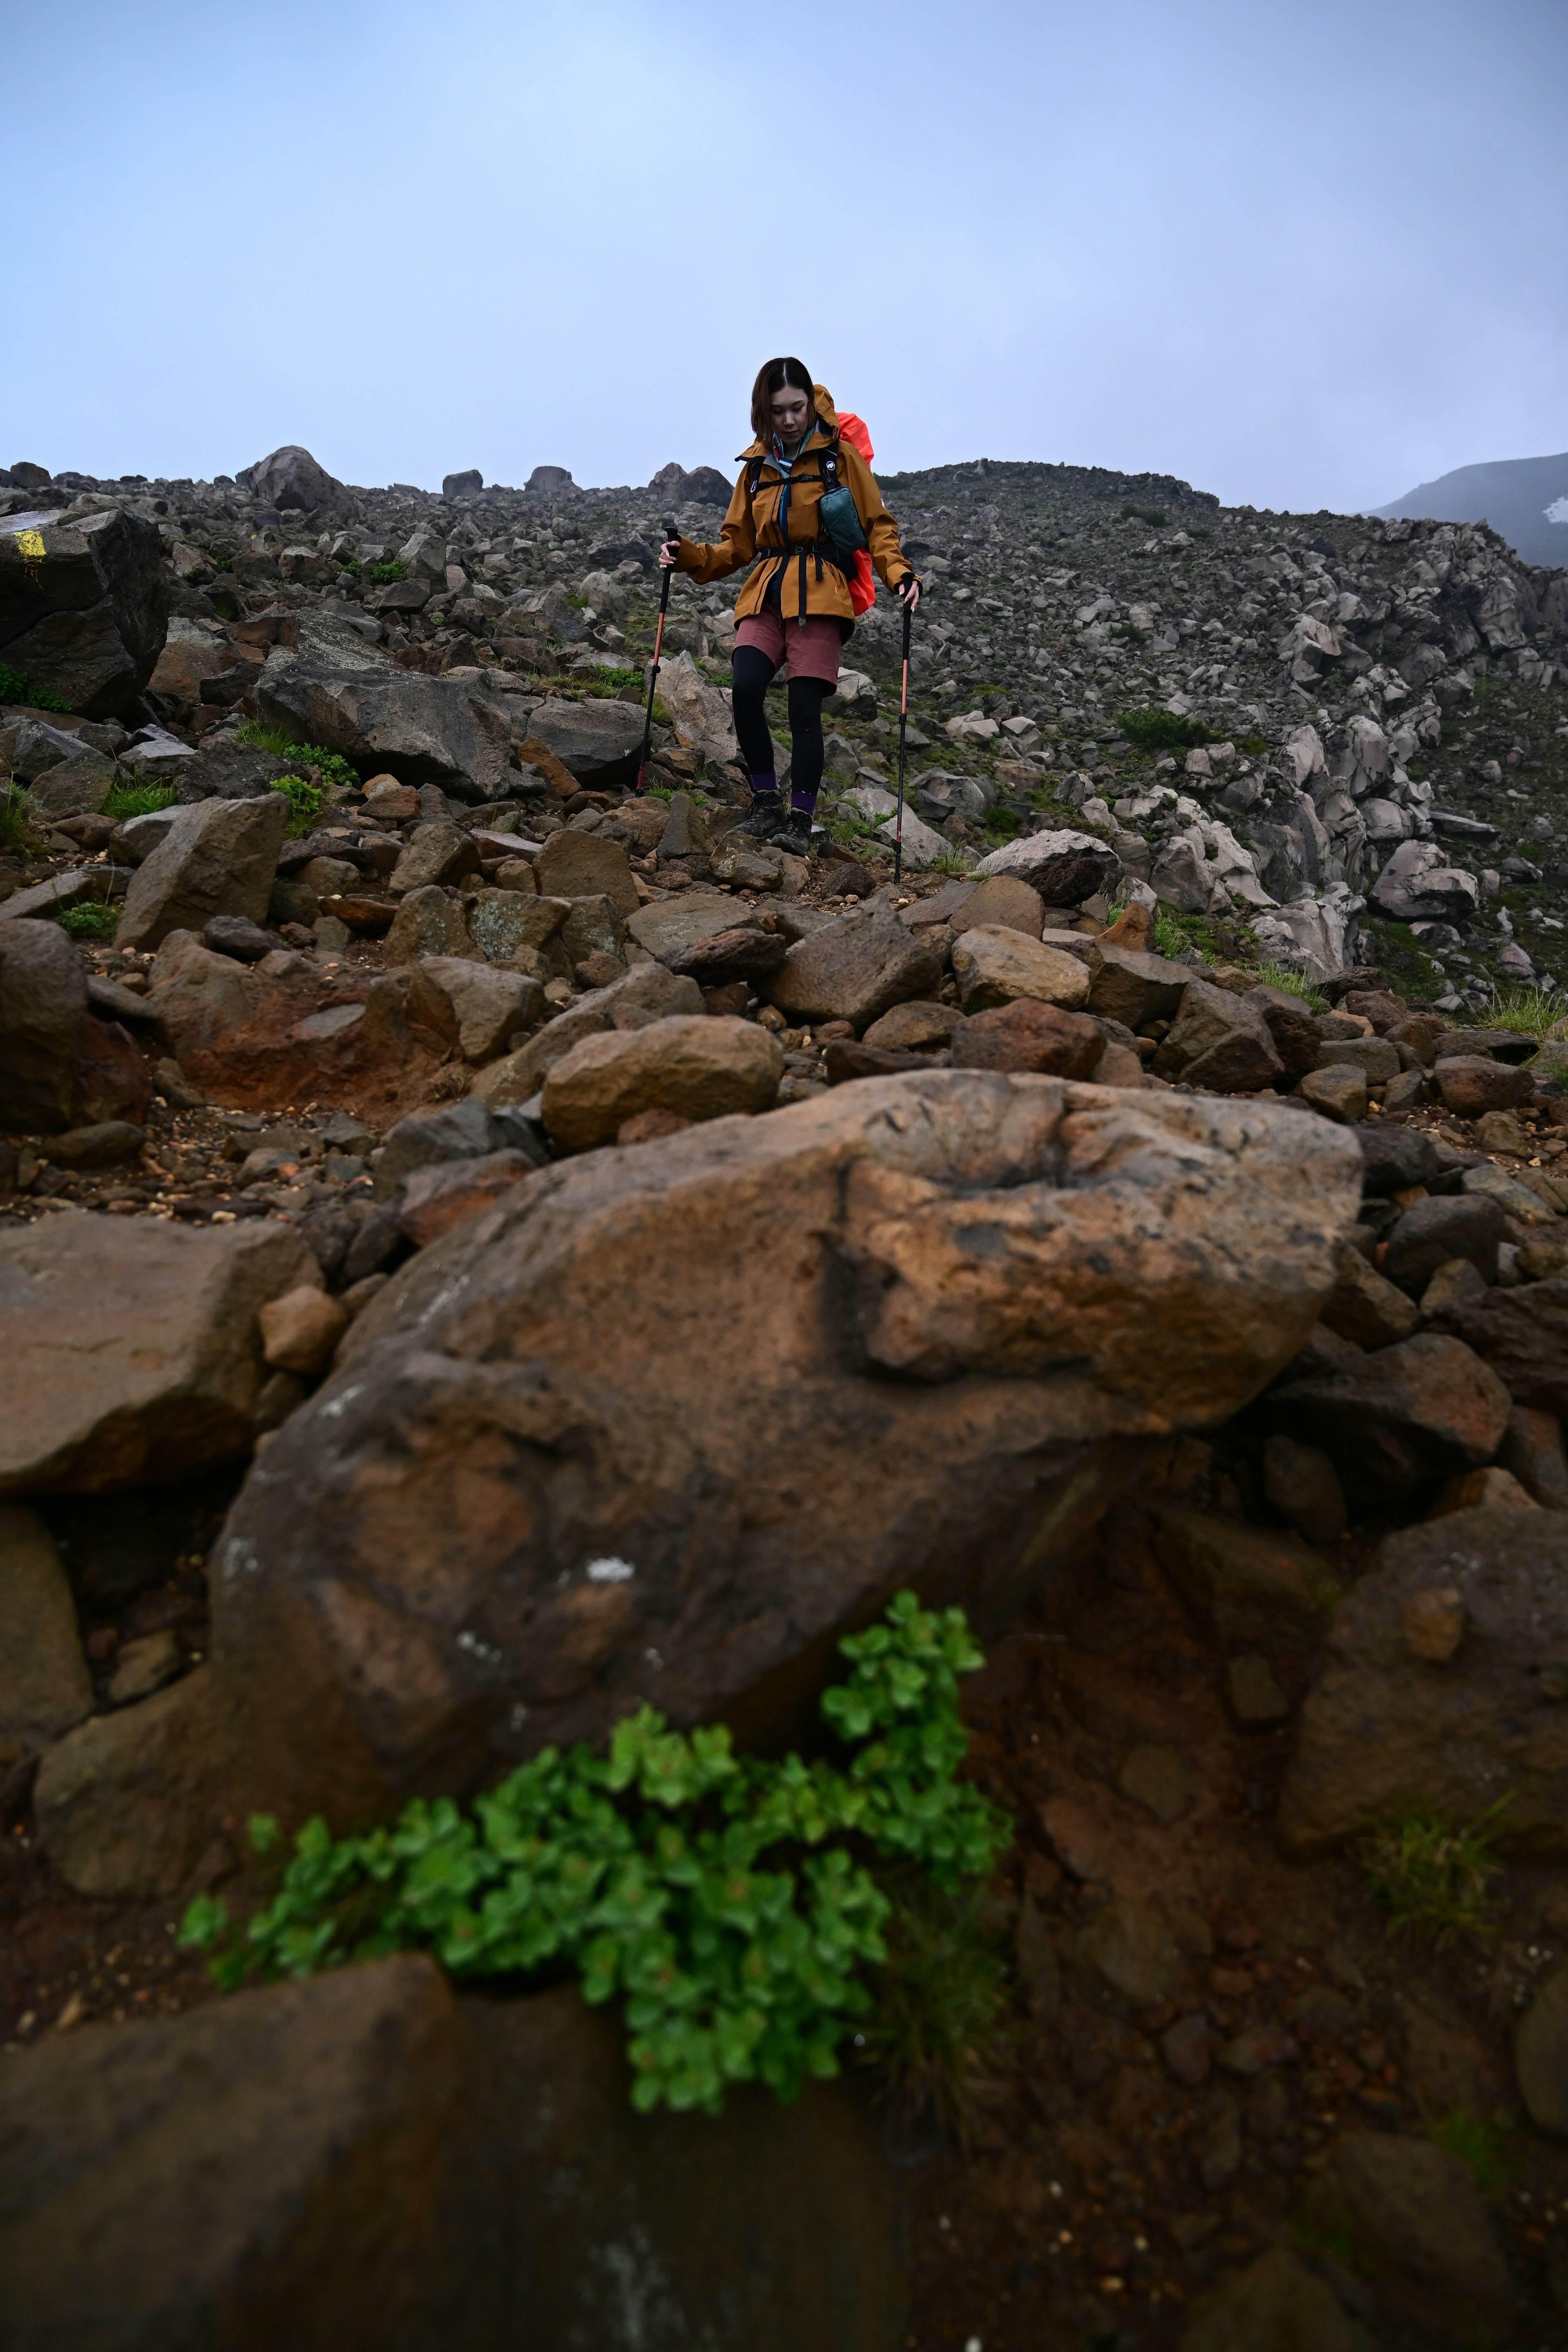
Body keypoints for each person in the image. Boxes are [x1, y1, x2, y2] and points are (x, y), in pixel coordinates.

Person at [659, 358, 920, 851]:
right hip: (766, 589)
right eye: (779, 411)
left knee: (803, 708)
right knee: (745, 687)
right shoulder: (755, 469)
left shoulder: (839, 457)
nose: (790, 420)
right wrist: (685, 556)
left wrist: (900, 574)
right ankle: (765, 804)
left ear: (810, 403)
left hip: (821, 592)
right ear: (764, 411)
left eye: (797, 408)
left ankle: (800, 819)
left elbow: (878, 525)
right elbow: (734, 547)